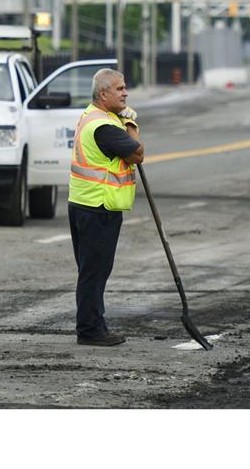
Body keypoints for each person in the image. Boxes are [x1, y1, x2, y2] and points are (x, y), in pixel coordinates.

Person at [68, 68, 143, 346]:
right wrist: (132, 125)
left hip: (84, 203)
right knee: (94, 272)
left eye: (125, 88)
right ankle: (89, 330)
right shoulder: (105, 126)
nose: (125, 93)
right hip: (98, 206)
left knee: (92, 270)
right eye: (120, 89)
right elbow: (138, 153)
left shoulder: (94, 116)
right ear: (103, 94)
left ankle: (95, 324)